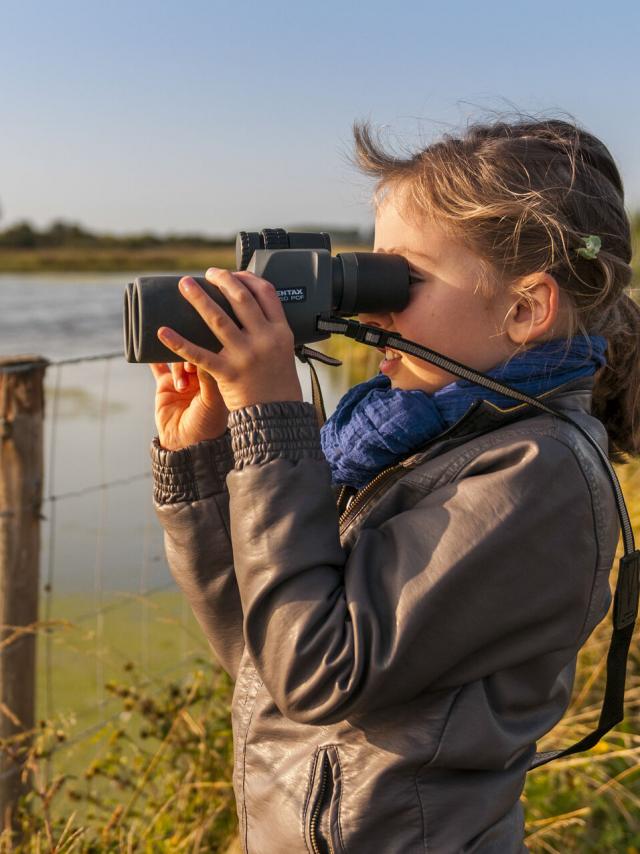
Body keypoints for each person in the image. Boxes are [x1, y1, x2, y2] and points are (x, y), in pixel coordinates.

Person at [148, 115, 639, 853]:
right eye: (371, 270)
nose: (369, 306)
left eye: (401, 279)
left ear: (525, 308)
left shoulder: (537, 476)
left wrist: (274, 422)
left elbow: (317, 670)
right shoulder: (406, 441)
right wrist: (203, 464)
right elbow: (264, 654)